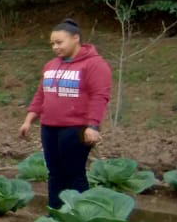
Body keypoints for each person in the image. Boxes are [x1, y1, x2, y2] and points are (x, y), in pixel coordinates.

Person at [19, 18, 112, 208]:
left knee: (74, 173)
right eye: (52, 43)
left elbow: (99, 96)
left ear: (75, 38)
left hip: (76, 128)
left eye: (59, 42)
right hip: (49, 127)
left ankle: (79, 214)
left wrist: (93, 126)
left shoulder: (94, 65)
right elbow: (41, 94)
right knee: (54, 172)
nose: (55, 47)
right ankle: (55, 212)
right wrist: (29, 119)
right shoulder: (51, 65)